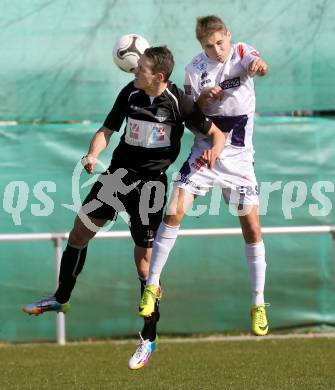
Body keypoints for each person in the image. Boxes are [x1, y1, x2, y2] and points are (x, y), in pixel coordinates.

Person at [22, 46, 225, 369]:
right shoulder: (130, 93)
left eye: (140, 67)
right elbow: (106, 131)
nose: (134, 71)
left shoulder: (178, 103)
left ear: (158, 76)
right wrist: (92, 155)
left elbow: (216, 134)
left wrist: (215, 150)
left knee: (145, 267)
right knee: (78, 232)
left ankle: (148, 339)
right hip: (117, 177)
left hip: (151, 185)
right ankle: (60, 298)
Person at [139, 16, 270, 337]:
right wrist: (203, 99)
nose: (217, 49)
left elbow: (256, 62)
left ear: (229, 35)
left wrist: (259, 65)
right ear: (201, 46)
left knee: (252, 227)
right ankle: (152, 286)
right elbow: (191, 111)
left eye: (220, 42)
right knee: (174, 210)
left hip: (238, 155)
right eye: (209, 46)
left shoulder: (240, 51)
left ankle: (258, 302)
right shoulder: (194, 70)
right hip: (206, 147)